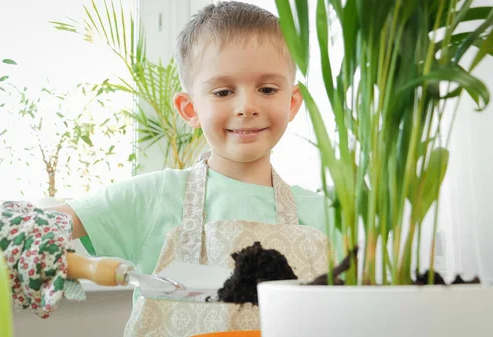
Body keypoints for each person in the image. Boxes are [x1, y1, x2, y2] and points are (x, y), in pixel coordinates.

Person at [51, 1, 338, 336]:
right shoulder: (153, 196)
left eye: (267, 89)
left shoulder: (324, 216)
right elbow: (39, 226)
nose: (247, 106)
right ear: (189, 109)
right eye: (223, 91)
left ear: (291, 102)